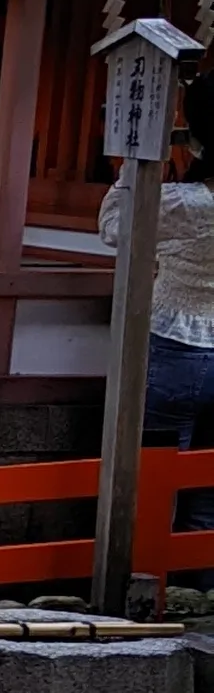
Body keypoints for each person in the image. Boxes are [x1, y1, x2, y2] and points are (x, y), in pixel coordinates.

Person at [112, 54, 214, 446]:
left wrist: (134, 160)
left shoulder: (182, 204)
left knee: (155, 475)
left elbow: (114, 225)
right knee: (206, 490)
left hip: (178, 347)